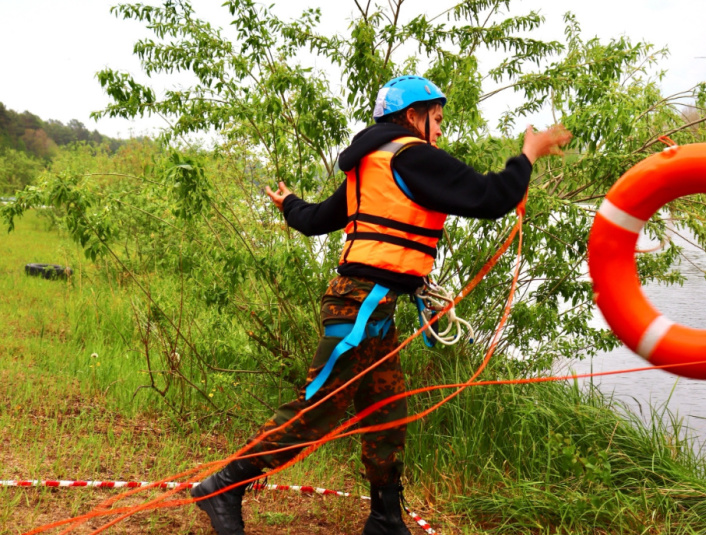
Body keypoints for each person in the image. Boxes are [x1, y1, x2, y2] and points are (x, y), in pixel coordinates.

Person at [191, 75, 572, 535]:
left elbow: (315, 221)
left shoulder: (371, 163)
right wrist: (528, 154)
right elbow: (491, 197)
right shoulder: (413, 156)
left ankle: (385, 520)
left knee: (387, 413)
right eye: (436, 118)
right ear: (413, 116)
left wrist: (289, 203)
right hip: (362, 308)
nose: (440, 129)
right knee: (318, 409)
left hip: (374, 310)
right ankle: (222, 488)